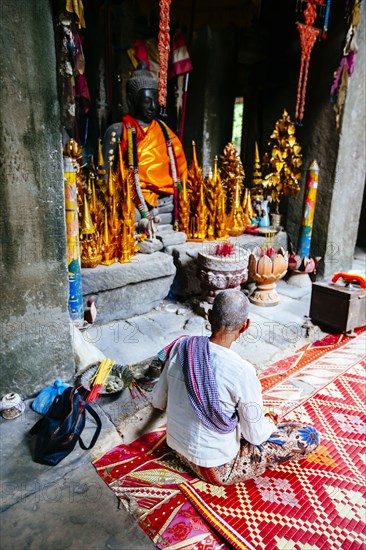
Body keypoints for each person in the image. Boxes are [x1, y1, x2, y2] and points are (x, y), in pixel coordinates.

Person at [152, 290, 320, 485]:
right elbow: (255, 436)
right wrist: (269, 422)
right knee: (307, 435)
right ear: (245, 326)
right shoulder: (241, 371)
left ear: (209, 316)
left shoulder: (182, 347)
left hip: (176, 450)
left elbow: (158, 401)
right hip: (215, 467)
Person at [103, 62, 187, 219]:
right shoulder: (118, 131)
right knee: (129, 218)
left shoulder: (165, 132)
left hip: (166, 205)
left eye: (155, 100)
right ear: (131, 100)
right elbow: (104, 176)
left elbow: (181, 172)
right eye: (147, 101)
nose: (152, 106)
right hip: (134, 204)